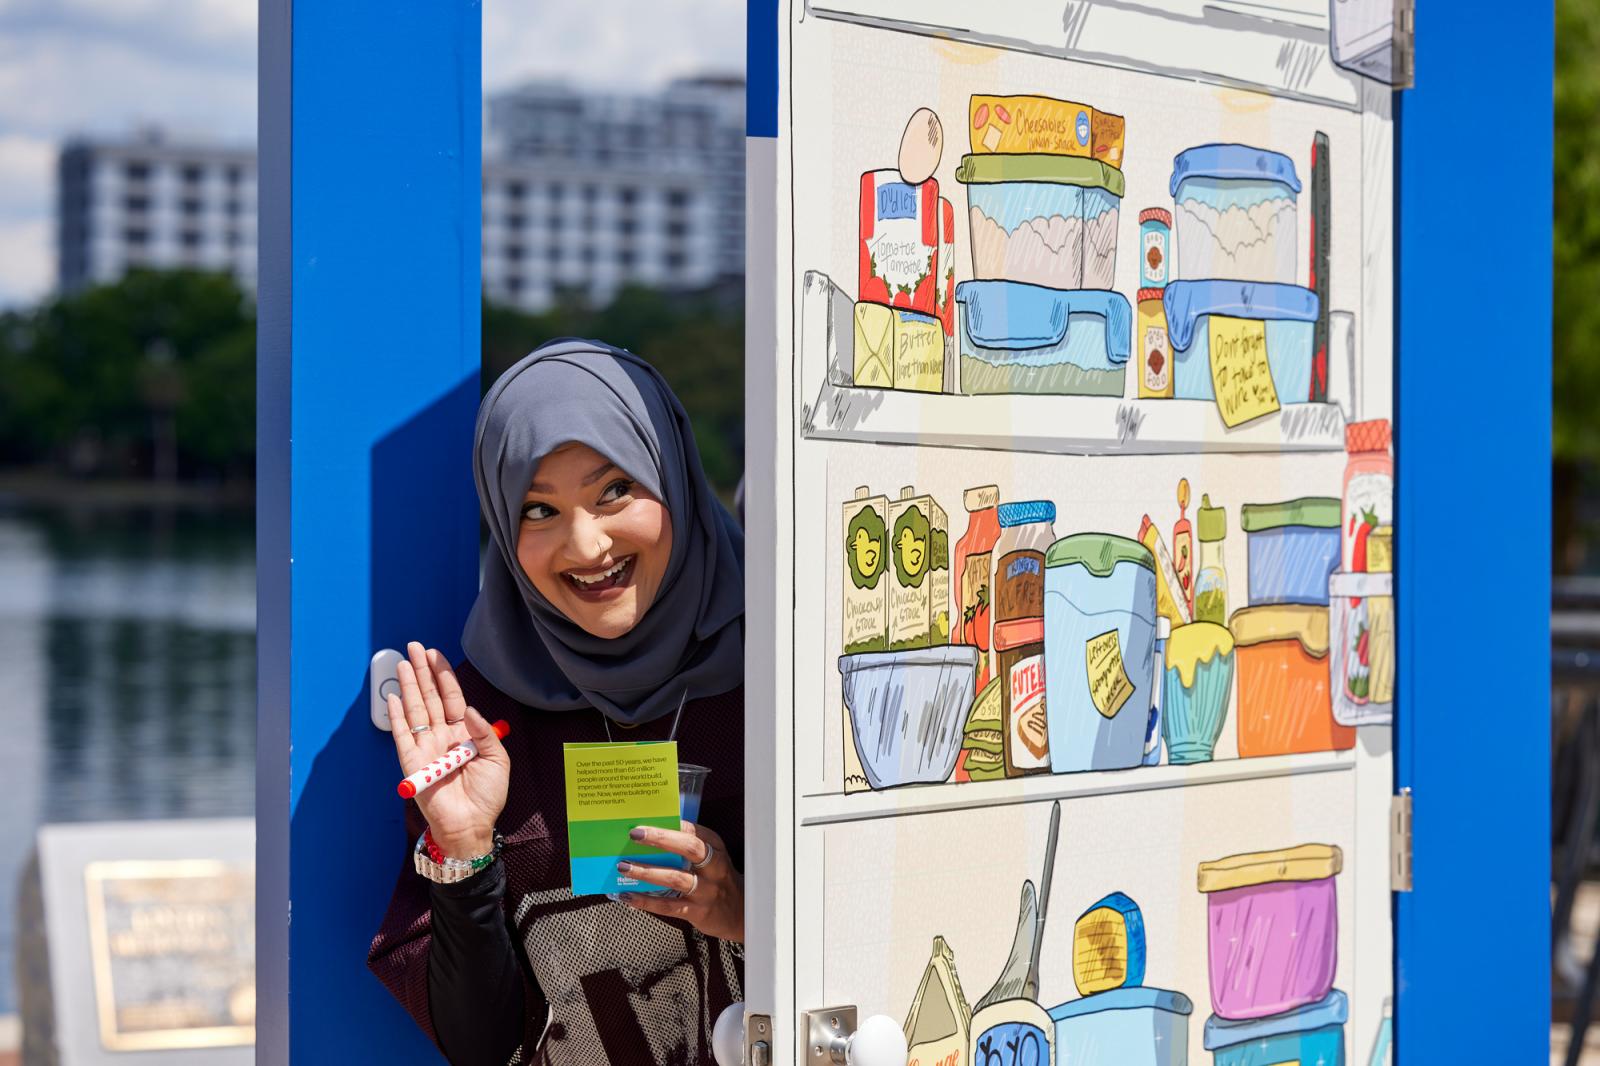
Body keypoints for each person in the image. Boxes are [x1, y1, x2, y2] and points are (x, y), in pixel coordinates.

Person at [368, 339, 746, 1066]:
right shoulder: (478, 721)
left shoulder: (782, 678)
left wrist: (742, 909)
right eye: (538, 509)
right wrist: (466, 850)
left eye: (614, 491)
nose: (586, 544)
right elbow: (480, 1044)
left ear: (674, 476)